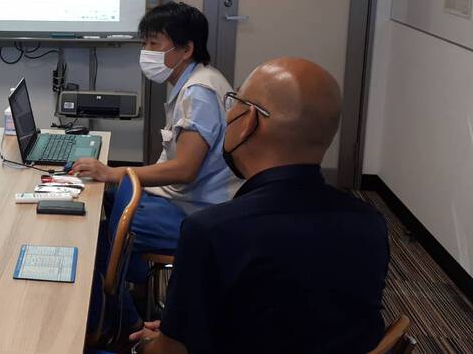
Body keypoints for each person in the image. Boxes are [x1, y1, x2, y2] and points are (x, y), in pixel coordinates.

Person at [129, 58, 389, 354]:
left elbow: (171, 352)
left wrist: (148, 344)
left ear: (249, 120)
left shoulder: (211, 231)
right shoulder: (371, 223)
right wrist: (183, 328)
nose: (228, 115)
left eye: (234, 102)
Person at [73, 2, 239, 292]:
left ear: (186, 49)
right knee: (108, 202)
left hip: (200, 213)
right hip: (187, 200)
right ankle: (128, 290)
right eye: (144, 43)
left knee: (105, 231)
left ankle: (116, 308)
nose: (146, 51)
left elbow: (185, 170)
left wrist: (113, 173)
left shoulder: (198, 92)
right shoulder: (195, 81)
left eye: (154, 43)